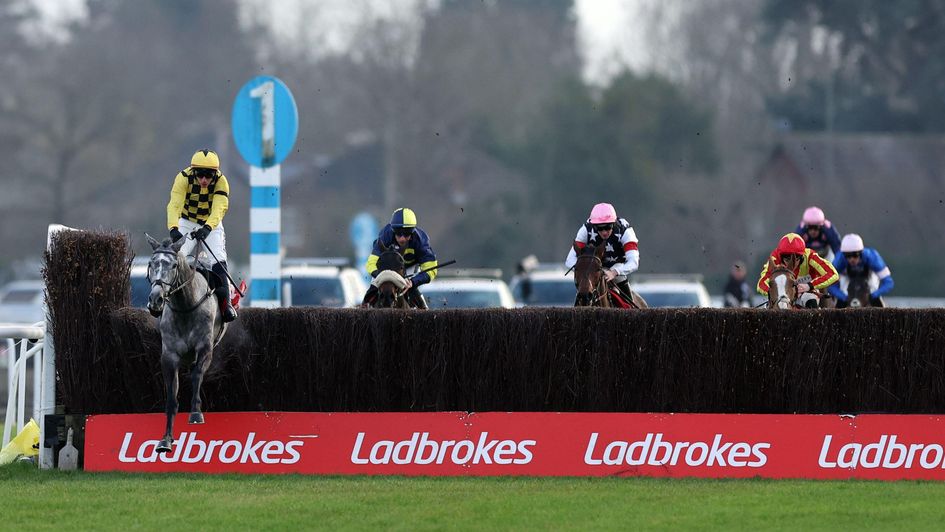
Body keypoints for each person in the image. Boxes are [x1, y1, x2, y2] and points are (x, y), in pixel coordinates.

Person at [165, 149, 237, 322]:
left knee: (218, 259)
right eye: (200, 174)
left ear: (216, 174)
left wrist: (207, 228)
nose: (204, 179)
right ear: (193, 171)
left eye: (209, 175)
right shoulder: (182, 178)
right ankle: (160, 301)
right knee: (174, 257)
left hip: (211, 223)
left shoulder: (222, 182)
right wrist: (173, 228)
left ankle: (225, 305)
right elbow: (174, 204)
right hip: (186, 221)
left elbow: (219, 208)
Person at [362, 208, 438, 309]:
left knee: (413, 290)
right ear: (393, 230)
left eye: (406, 233)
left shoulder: (421, 241)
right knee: (373, 288)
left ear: (412, 231)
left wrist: (413, 282)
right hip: (386, 268)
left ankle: (423, 309)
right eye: (398, 233)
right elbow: (371, 263)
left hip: (410, 268)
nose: (402, 238)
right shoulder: (385, 236)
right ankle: (364, 306)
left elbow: (431, 270)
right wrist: (379, 275)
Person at [564, 203, 639, 301]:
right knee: (582, 292)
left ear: (614, 223)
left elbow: (634, 262)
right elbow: (569, 260)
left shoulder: (625, 232)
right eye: (599, 228)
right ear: (594, 226)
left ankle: (630, 313)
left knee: (622, 285)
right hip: (593, 270)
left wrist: (614, 272)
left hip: (617, 269)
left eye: (608, 227)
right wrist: (587, 270)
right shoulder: (586, 230)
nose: (604, 232)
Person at [757, 233, 839, 308]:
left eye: (797, 257)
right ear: (781, 256)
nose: (792, 262)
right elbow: (761, 284)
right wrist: (774, 292)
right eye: (787, 257)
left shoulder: (810, 256)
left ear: (802, 256)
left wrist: (809, 285)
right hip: (782, 297)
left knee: (811, 300)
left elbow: (833, 274)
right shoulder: (774, 259)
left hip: (807, 293)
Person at [827, 233, 894, 308]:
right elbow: (830, 285)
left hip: (869, 278)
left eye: (855, 255)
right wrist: (843, 297)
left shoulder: (872, 257)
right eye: (848, 256)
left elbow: (889, 282)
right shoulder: (839, 259)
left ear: (861, 253)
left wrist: (874, 295)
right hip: (848, 278)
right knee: (842, 295)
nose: (851, 259)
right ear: (843, 254)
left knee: (873, 291)